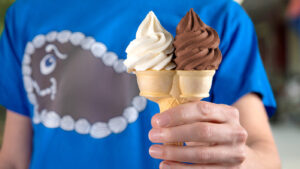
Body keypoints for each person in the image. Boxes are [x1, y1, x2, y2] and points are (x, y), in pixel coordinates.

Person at [0, 0, 280, 169]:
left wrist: (241, 161)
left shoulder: (221, 16)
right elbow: (13, 159)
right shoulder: (26, 13)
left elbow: (265, 156)